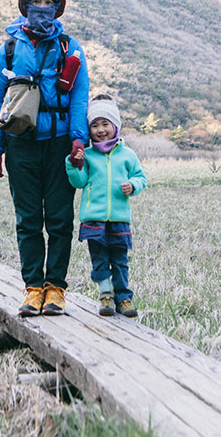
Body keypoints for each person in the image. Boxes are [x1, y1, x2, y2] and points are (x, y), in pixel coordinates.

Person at [0, 0, 89, 317]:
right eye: (36, 2)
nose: (42, 8)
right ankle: (33, 289)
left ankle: (55, 289)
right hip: (20, 144)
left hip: (60, 144)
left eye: (49, 3)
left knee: (59, 219)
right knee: (28, 220)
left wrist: (78, 140)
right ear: (25, 6)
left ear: (57, 8)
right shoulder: (10, 48)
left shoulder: (70, 48)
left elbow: (79, 99)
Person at [65, 94, 146, 317]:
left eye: (105, 124)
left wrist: (133, 185)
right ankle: (106, 295)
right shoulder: (88, 155)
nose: (100, 130)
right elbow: (79, 181)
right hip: (93, 217)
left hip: (119, 218)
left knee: (120, 260)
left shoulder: (127, 155)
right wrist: (73, 164)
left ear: (115, 125)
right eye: (94, 125)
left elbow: (141, 177)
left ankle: (124, 298)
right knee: (99, 259)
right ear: (89, 130)